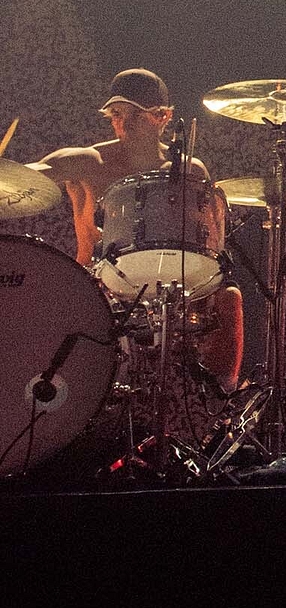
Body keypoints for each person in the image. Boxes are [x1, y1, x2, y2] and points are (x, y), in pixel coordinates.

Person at [31, 68, 241, 392]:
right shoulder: (89, 161)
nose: (122, 123)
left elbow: (210, 242)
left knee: (229, 297)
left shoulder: (187, 170)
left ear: (163, 117)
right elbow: (29, 177)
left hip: (172, 290)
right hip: (98, 288)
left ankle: (216, 408)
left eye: (135, 115)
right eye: (116, 114)